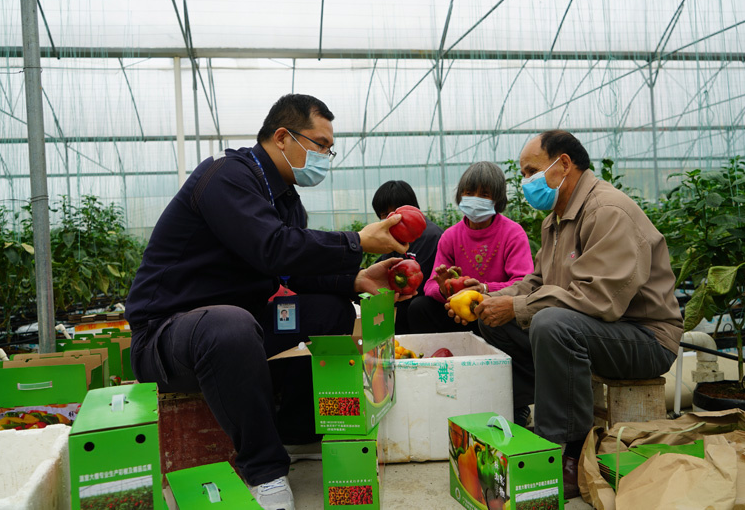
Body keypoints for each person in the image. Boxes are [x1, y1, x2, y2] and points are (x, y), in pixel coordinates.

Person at [124, 94, 411, 510]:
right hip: (168, 335)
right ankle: (265, 471)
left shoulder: (286, 201)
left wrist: (356, 278)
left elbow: (292, 272)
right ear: (283, 137)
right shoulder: (226, 176)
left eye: (331, 148)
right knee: (230, 325)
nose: (327, 156)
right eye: (320, 144)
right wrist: (356, 241)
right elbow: (271, 248)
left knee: (329, 310)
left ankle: (294, 430)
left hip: (240, 326)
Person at [453, 130, 681, 499]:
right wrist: (489, 298)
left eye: (531, 171)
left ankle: (569, 450)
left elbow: (599, 298)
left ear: (563, 165)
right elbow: (536, 282)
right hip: (596, 331)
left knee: (548, 322)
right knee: (494, 319)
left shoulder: (607, 211)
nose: (525, 182)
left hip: (644, 337)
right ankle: (530, 412)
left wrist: (518, 306)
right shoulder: (555, 219)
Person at [408, 161, 534, 337]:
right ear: (460, 196)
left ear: (497, 199)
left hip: (496, 312)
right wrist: (445, 289)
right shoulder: (451, 236)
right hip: (459, 312)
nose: (476, 199)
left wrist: (484, 289)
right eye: (469, 193)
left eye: (484, 194)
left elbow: (524, 283)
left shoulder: (513, 234)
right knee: (420, 307)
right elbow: (430, 286)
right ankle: (433, 359)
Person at [371, 180, 444, 333]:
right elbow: (382, 267)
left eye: (391, 213)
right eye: (383, 215)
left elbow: (416, 283)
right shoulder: (397, 237)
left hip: (424, 307)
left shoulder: (430, 236)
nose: (388, 219)